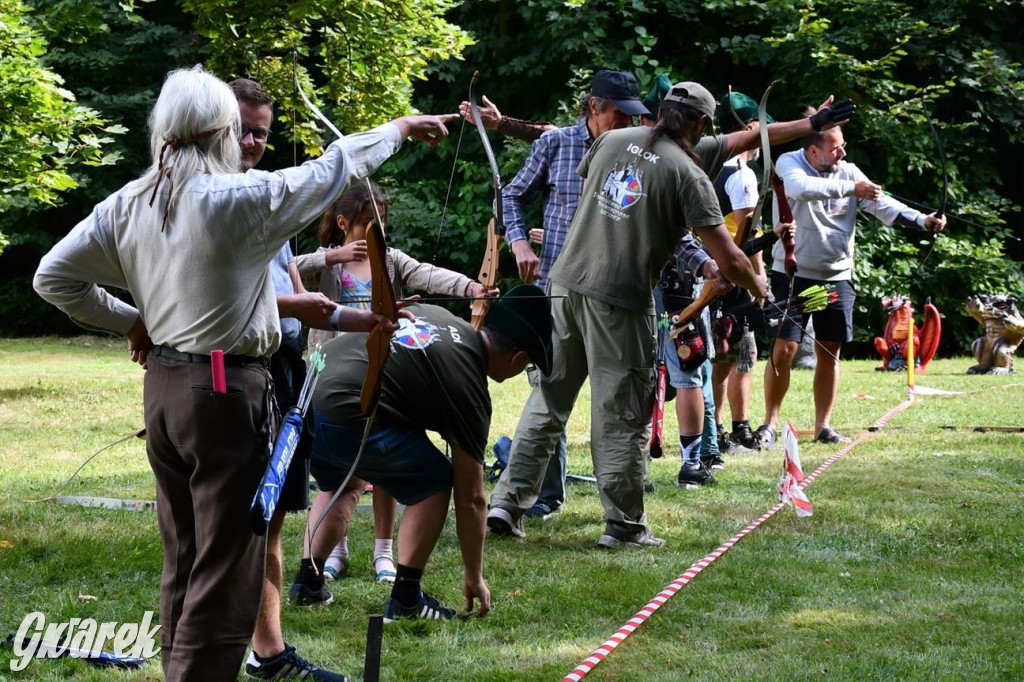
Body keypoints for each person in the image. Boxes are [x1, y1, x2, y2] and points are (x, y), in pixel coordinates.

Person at [33, 65, 453, 681]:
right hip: (222, 394)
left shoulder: (130, 201)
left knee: (186, 557)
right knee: (227, 565)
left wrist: (137, 321)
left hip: (166, 390)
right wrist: (400, 127)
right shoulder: (233, 199)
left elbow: (54, 278)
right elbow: (331, 169)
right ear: (223, 132)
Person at [487, 81, 855, 548]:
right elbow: (731, 257)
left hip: (563, 287)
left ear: (662, 111)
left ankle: (506, 503)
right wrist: (757, 284)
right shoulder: (688, 174)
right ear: (701, 123)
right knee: (622, 412)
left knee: (548, 400)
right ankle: (623, 526)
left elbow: (749, 138)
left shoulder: (612, 141)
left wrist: (813, 124)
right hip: (619, 301)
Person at [290, 286, 553, 622]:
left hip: (307, 396)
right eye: (527, 364)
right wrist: (474, 575)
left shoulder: (442, 316)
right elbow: (472, 498)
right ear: (517, 358)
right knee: (435, 482)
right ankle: (406, 599)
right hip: (347, 410)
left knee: (342, 484)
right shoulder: (470, 387)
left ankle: (308, 583)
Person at [291, 181, 496, 592]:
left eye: (382, 222)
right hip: (336, 374)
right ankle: (334, 551)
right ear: (344, 223)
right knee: (340, 478)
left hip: (383, 375)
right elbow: (288, 264)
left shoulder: (391, 259)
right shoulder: (329, 263)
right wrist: (334, 255)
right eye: (370, 223)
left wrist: (472, 288)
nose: (378, 231)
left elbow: (428, 274)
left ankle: (383, 549)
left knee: (383, 473)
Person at [464, 69, 650, 517]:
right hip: (557, 292)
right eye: (620, 113)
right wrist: (519, 242)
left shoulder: (634, 153)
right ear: (595, 107)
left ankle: (558, 499)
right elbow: (510, 196)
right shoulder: (558, 144)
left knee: (612, 402)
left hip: (611, 297)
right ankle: (533, 499)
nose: (628, 123)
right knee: (548, 394)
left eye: (633, 116)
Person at [227, 78, 346, 682]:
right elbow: (222, 303)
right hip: (242, 372)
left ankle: (267, 650)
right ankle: (262, 652)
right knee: (250, 520)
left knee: (271, 518)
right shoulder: (213, 202)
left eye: (261, 133)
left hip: (285, 366)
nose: (252, 142)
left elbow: (290, 282)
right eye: (241, 129)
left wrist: (354, 316)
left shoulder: (263, 196)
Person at [757, 106, 946, 447]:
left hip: (836, 276)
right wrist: (852, 189)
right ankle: (769, 424)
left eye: (843, 146)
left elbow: (883, 204)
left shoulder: (849, 172)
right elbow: (799, 189)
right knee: (785, 349)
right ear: (812, 151)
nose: (842, 153)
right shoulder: (789, 163)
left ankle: (823, 427)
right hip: (794, 274)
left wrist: (923, 220)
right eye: (835, 148)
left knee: (830, 350)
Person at [710, 90, 776, 454]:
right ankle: (730, 430)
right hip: (735, 279)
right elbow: (746, 235)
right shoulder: (742, 175)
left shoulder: (709, 166)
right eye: (763, 128)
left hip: (710, 275)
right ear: (750, 129)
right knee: (740, 357)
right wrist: (759, 282)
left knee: (722, 357)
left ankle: (723, 428)